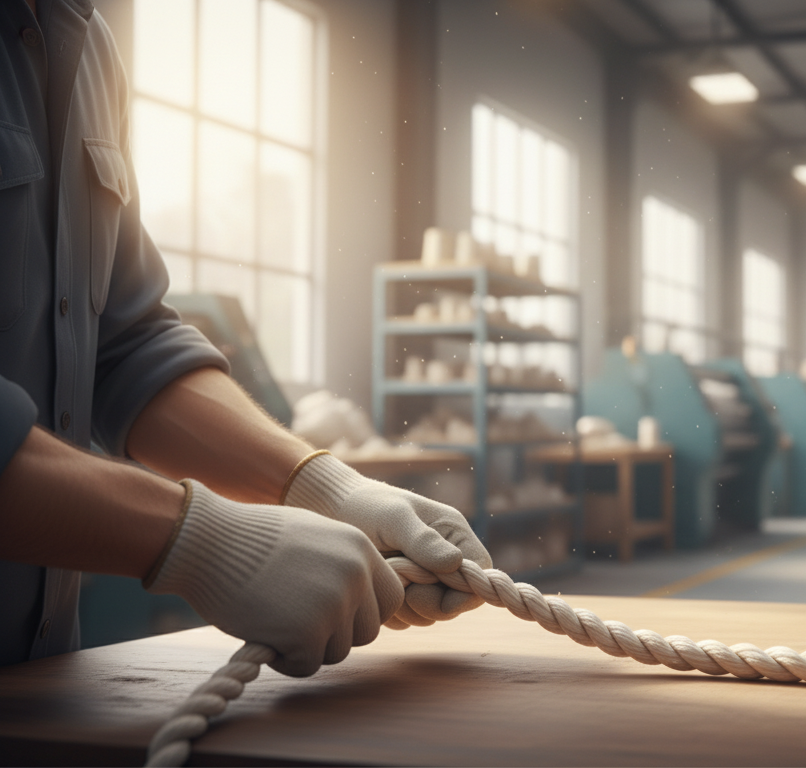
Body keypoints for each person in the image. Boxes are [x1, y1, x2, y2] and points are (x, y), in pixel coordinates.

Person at [0, 0, 490, 677]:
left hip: (40, 679)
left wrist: (325, 487)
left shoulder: (86, 45)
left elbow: (125, 346)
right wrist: (203, 541)